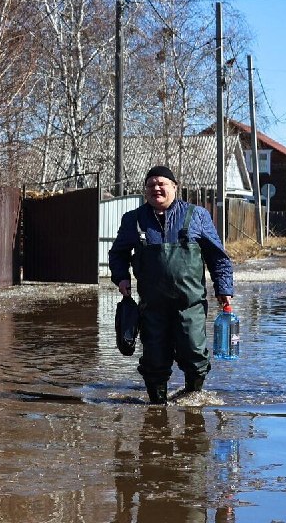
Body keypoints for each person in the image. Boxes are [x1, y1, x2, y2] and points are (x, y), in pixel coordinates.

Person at [108, 165, 234, 404]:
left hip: (191, 304)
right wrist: (121, 277)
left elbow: (217, 256)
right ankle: (157, 404)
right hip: (152, 306)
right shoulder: (134, 219)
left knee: (195, 354)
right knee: (154, 360)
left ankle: (193, 397)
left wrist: (224, 289)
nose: (156, 188)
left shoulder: (197, 215)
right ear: (145, 190)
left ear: (174, 187)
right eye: (151, 184)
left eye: (161, 183)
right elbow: (118, 254)